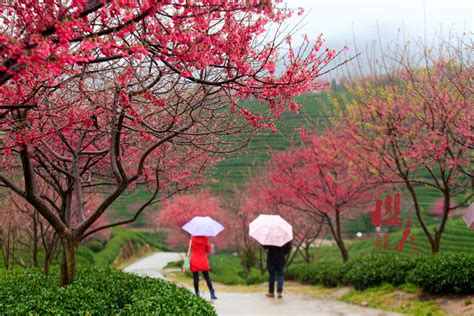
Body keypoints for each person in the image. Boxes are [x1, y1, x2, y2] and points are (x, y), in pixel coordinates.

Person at [189, 235, 217, 300]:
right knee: (207, 277)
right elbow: (208, 250)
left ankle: (197, 293)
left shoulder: (192, 239)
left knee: (196, 278)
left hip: (194, 260)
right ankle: (212, 293)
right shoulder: (206, 239)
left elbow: (190, 248)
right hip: (203, 260)